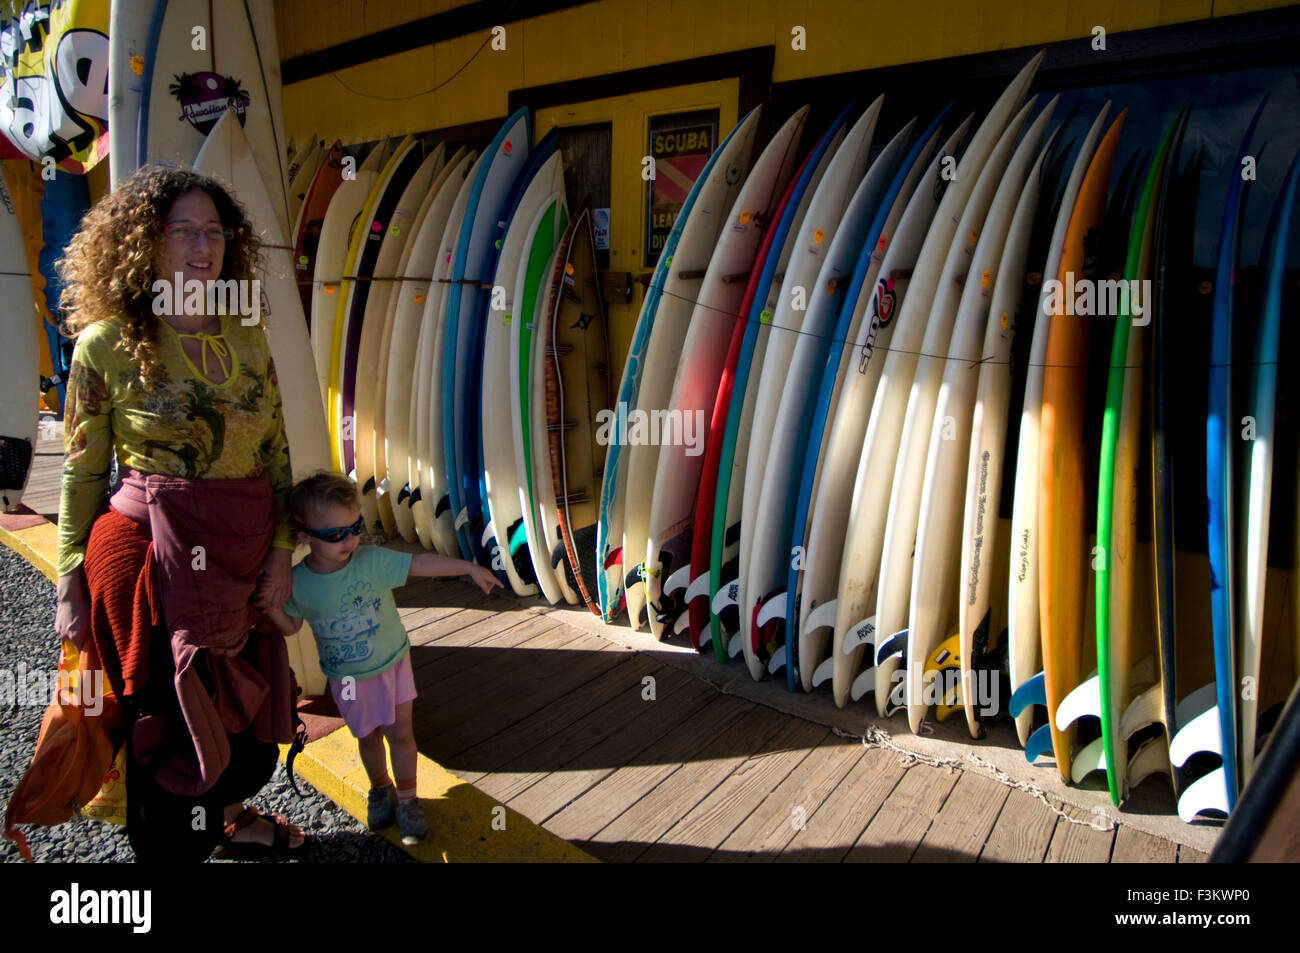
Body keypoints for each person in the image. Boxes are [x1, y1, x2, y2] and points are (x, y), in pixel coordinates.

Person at [50, 162, 304, 860]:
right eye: (183, 230)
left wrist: (282, 550)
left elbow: (277, 454)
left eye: (215, 231)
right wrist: (69, 578)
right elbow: (81, 471)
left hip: (243, 562)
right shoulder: (107, 345)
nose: (202, 245)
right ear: (145, 242)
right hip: (147, 572)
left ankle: (224, 820)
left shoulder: (249, 336)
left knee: (245, 729)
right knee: (163, 730)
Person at [264, 472, 501, 844]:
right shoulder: (298, 581)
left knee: (402, 734)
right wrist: (271, 608)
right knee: (369, 737)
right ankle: (380, 788)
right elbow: (291, 625)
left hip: (392, 664)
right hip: (346, 679)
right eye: (335, 534)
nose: (350, 539)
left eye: (355, 526)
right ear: (303, 536)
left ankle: (408, 801)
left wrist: (468, 567)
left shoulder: (370, 560)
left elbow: (418, 564)